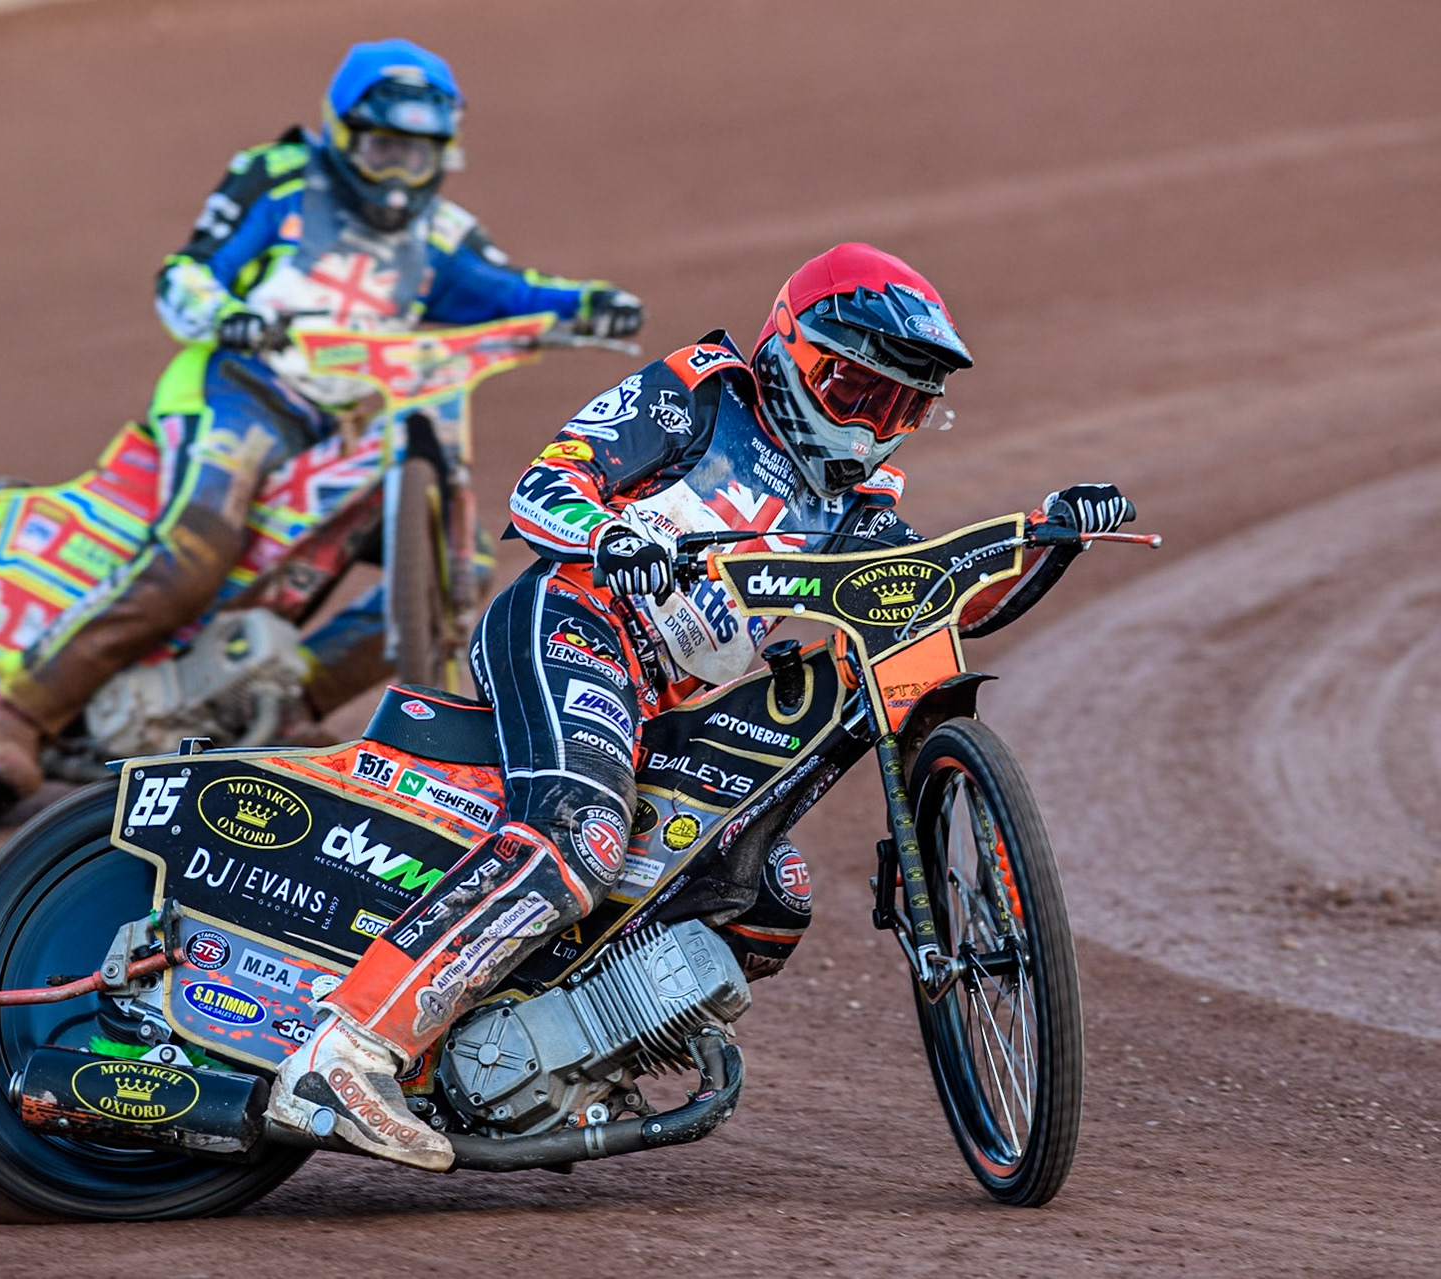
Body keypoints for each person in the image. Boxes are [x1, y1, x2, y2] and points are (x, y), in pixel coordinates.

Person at [267, 242, 1135, 1169]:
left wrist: (1053, 538)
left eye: (901, 408)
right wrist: (611, 536)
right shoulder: (700, 393)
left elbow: (920, 597)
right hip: (572, 623)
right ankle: (347, 1047)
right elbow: (543, 486)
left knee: (766, 895)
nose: (873, 428)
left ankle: (559, 1054)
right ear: (794, 350)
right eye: (858, 393)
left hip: (656, 695)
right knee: (581, 834)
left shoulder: (862, 499)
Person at [0, 38, 644, 794]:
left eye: (416, 157)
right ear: (341, 131)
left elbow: (511, 290)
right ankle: (16, 711)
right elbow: (187, 272)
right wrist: (229, 316)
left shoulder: (443, 235)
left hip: (344, 427)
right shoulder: (277, 179)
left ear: (445, 156)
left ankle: (284, 703)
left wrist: (586, 304)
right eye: (382, 148)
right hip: (240, 390)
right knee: (196, 552)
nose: (396, 177)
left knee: (466, 564)